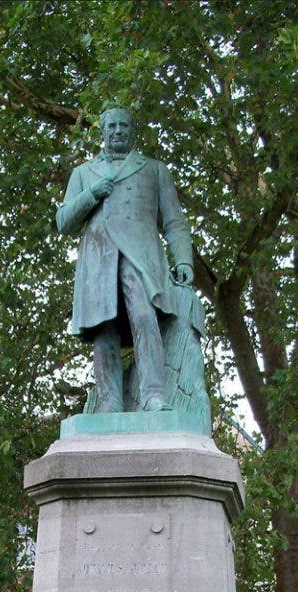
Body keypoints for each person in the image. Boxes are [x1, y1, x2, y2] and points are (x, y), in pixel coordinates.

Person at [56, 107, 200, 413]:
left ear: (132, 131)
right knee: (104, 329)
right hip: (98, 260)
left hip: (141, 258)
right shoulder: (83, 173)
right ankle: (110, 405)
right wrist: (92, 194)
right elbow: (63, 221)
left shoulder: (154, 169)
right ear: (103, 132)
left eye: (124, 126)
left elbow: (175, 221)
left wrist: (184, 260)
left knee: (145, 317)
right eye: (112, 126)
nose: (118, 131)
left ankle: (154, 395)